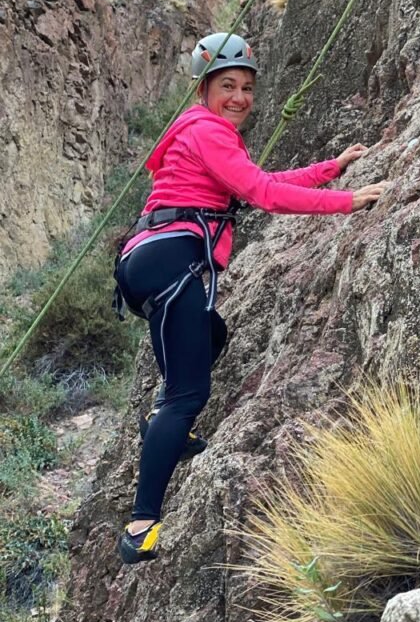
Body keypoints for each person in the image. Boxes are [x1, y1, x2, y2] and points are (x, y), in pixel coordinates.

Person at [114, 32, 385, 565]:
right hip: (170, 259)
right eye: (227, 86)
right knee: (185, 396)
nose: (239, 97)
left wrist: (330, 169)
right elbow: (264, 194)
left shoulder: (200, 133)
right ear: (203, 90)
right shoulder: (209, 131)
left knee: (212, 333)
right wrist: (345, 202)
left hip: (151, 259)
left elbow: (255, 182)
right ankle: (141, 526)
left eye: (246, 87)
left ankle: (164, 426)